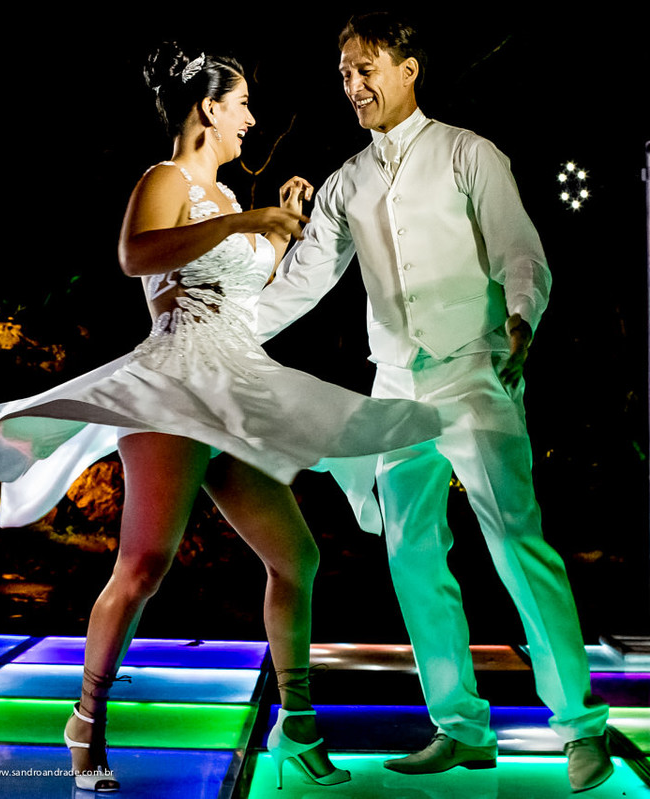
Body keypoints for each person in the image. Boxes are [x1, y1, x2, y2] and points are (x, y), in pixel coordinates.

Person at [0, 44, 440, 792]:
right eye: (243, 104)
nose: (251, 119)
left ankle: (298, 723)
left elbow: (244, 299)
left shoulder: (224, 199)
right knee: (145, 564)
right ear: (210, 108)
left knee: (297, 558)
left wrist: (279, 227)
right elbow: (136, 255)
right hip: (173, 385)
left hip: (233, 387)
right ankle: (85, 719)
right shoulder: (165, 181)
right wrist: (246, 221)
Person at [253, 12, 613, 793]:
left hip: (475, 370)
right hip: (395, 385)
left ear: (408, 68)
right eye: (344, 73)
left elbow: (520, 249)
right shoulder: (347, 181)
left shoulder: (468, 153)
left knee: (517, 541)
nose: (353, 84)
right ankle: (460, 725)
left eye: (366, 67)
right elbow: (303, 281)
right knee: (411, 550)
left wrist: (521, 316)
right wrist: (220, 332)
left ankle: (580, 727)